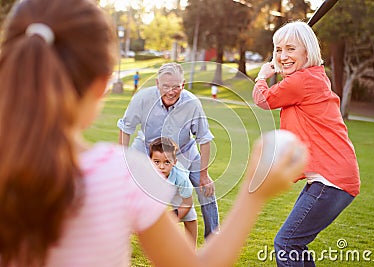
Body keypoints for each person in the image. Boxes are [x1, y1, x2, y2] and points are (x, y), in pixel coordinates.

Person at [0, 0, 309, 266]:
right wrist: (253, 197)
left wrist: (200, 174)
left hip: (177, 159)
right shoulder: (118, 174)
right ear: (101, 84)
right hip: (148, 158)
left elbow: (202, 139)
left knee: (197, 192)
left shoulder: (129, 163)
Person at [253, 21, 361, 266]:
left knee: (287, 243)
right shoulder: (312, 77)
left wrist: (262, 76)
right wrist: (281, 69)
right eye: (278, 50)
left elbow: (263, 99)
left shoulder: (302, 81)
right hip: (331, 179)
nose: (283, 56)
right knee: (294, 245)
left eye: (291, 49)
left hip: (331, 179)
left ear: (307, 51)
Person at [117, 62, 220, 238]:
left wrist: (204, 174)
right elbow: (126, 128)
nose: (171, 91)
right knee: (122, 182)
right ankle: (120, 229)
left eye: (176, 87)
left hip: (184, 151)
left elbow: (204, 138)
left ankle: (213, 236)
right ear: (157, 83)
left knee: (206, 188)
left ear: (183, 85)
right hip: (147, 147)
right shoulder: (142, 98)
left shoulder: (192, 103)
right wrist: (123, 162)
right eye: (166, 86)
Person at [149, 137, 198, 247]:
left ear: (174, 162)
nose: (161, 167)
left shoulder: (181, 178)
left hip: (176, 188)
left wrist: (174, 217)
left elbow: (187, 203)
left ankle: (191, 250)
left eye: (167, 162)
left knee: (189, 216)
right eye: (156, 162)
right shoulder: (147, 173)